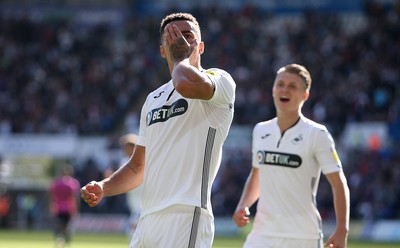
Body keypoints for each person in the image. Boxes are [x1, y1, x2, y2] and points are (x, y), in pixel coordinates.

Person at [80, 12, 236, 248]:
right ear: (163, 50)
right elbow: (137, 166)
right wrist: (104, 187)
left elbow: (184, 83)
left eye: (187, 36)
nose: (180, 42)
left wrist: (181, 57)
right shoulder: (153, 99)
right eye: (172, 38)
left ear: (201, 46)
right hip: (148, 218)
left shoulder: (219, 79)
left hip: (187, 215)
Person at [232, 64, 350, 248]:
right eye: (280, 84)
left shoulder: (317, 134)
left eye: (292, 86)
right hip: (261, 235)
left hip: (303, 237)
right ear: (273, 90)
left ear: (305, 95)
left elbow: (338, 183)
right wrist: (243, 205)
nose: (284, 89)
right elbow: (257, 176)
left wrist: (342, 229)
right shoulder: (260, 130)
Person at [50, 163, 80, 248]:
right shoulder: (73, 183)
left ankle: (59, 240)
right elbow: (74, 198)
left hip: (58, 207)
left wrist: (52, 206)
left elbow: (52, 196)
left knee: (58, 226)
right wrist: (75, 209)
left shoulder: (56, 183)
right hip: (68, 208)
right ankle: (66, 241)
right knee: (67, 227)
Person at [119, 133, 143, 238]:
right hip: (133, 203)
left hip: (144, 202)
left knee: (133, 232)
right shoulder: (124, 161)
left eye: (126, 146)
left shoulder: (143, 160)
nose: (124, 149)